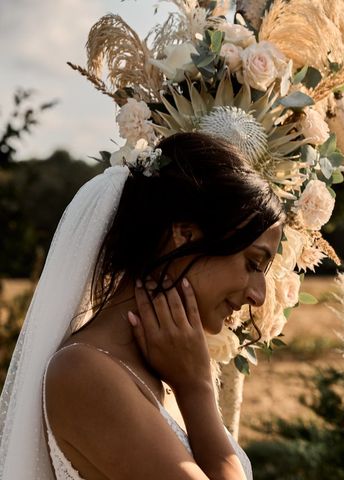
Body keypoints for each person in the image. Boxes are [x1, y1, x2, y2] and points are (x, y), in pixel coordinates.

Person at [0, 132, 284, 479]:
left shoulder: (168, 364)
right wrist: (196, 391)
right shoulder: (84, 373)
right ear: (185, 234)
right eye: (253, 263)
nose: (259, 295)